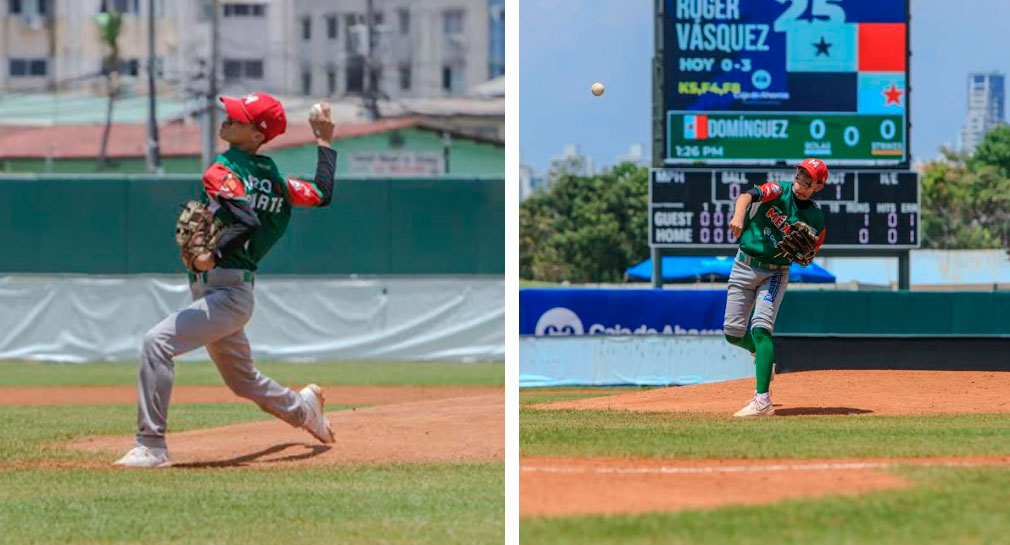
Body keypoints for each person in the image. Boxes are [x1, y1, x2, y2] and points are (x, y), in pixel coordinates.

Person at [115, 93, 338, 467]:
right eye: (231, 113)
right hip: (233, 290)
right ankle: (304, 409)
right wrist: (324, 140)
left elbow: (247, 221)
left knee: (157, 344)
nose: (227, 118)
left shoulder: (222, 170)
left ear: (256, 134)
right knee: (242, 381)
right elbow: (321, 193)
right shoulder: (279, 184)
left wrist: (214, 254)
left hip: (225, 291)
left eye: (237, 118)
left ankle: (151, 446)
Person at [724, 158, 828, 417]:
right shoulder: (778, 191)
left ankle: (762, 401)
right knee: (733, 333)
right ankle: (758, 353)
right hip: (744, 264)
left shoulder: (815, 217)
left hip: (774, 274)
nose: (801, 178)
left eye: (808, 177)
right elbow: (747, 196)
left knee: (761, 328)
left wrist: (807, 253)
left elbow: (811, 251)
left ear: (818, 185)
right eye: (801, 172)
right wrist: (738, 216)